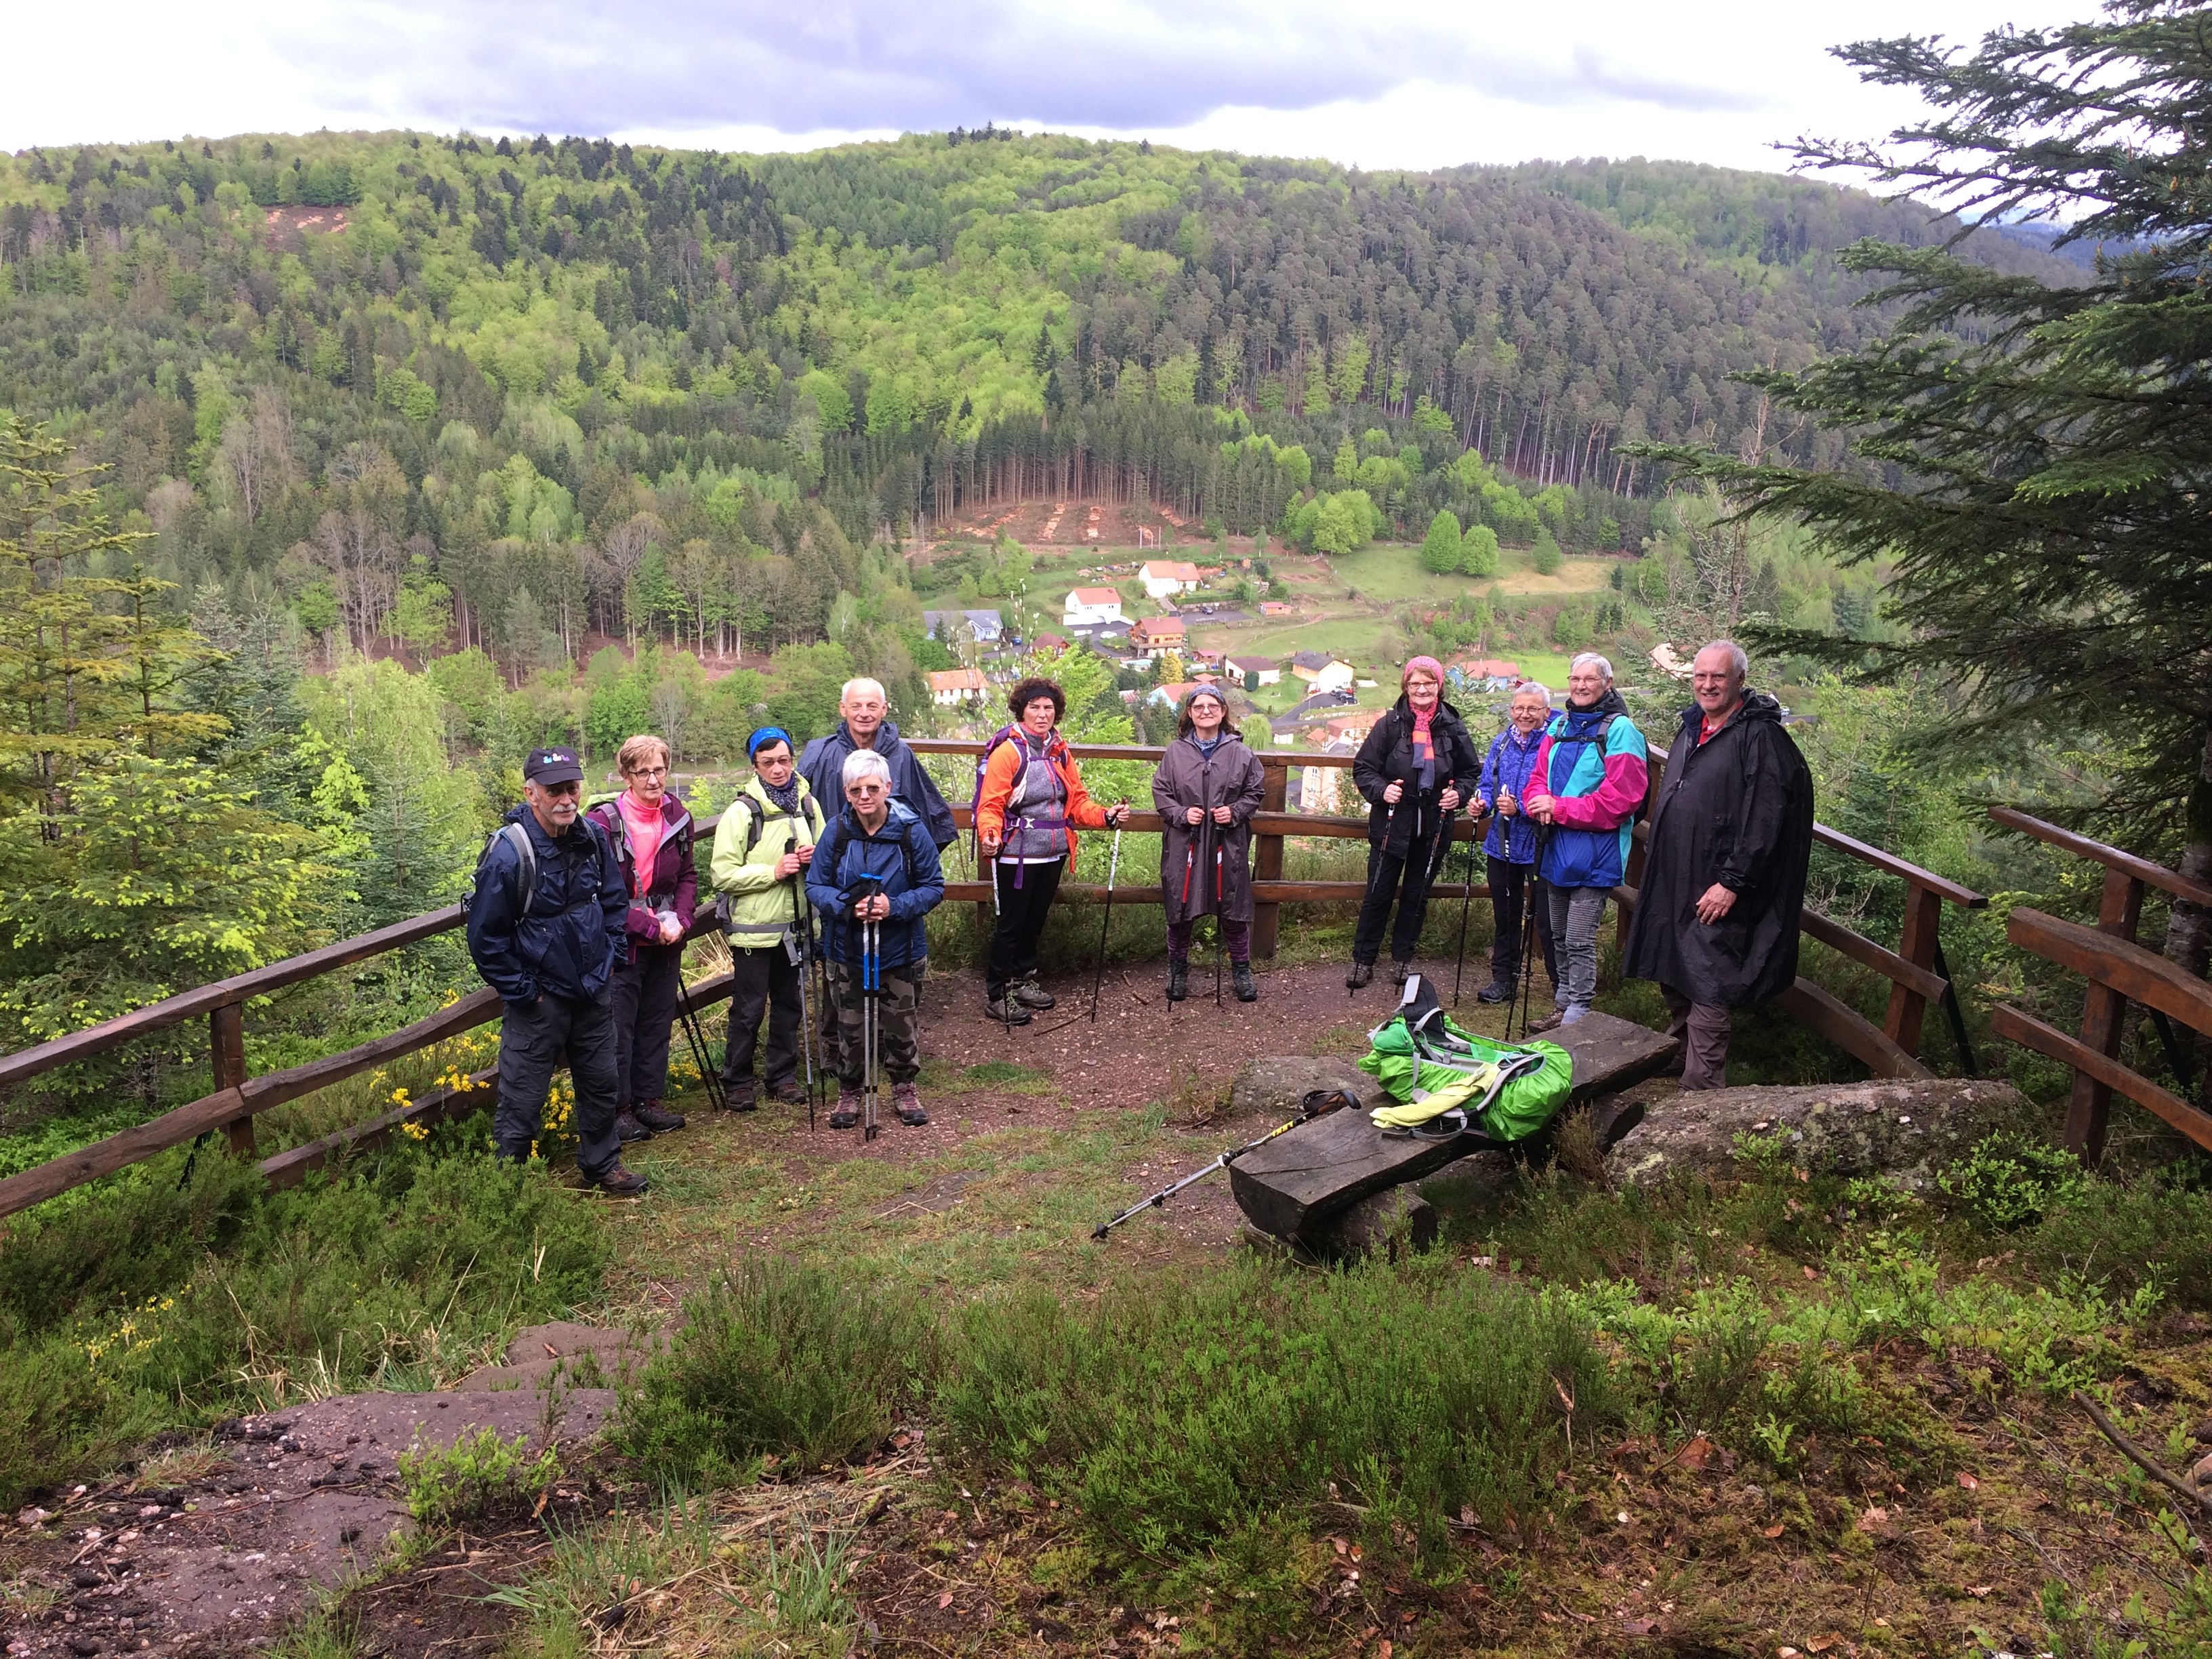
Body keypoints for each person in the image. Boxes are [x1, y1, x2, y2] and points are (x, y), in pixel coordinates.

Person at [1623, 640, 1815, 1089]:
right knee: (1673, 962)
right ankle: (1678, 1049)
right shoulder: (1694, 726)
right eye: (1700, 677)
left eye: (1718, 677)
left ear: (1739, 681)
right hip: (1677, 873)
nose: (1707, 685)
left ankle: (1703, 1087)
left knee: (1709, 976)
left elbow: (1767, 818)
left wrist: (1732, 882)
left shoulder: (1761, 738)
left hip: (1720, 884)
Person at [465, 746, 648, 1195]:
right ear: (531, 794)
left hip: (592, 988)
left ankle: (603, 1164)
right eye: (554, 791)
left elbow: (612, 901)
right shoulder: (510, 854)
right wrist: (526, 992)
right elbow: (485, 938)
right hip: (540, 998)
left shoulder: (590, 837)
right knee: (523, 1095)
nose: (566, 798)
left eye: (572, 787)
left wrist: (611, 958)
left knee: (602, 1081)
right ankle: (508, 1188)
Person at [974, 676, 1132, 1025]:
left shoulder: (1059, 751)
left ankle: (1022, 980)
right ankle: (998, 993)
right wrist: (989, 834)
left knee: (1035, 921)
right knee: (1011, 925)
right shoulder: (1009, 752)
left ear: (1056, 712)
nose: (1042, 713)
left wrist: (1106, 816)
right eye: (1035, 707)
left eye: (1048, 708)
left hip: (1053, 852)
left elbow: (1076, 802)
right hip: (1016, 854)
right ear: (1022, 710)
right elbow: (991, 805)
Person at [807, 749, 945, 1126]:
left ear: (888, 787)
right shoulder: (835, 832)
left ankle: (904, 1088)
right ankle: (849, 1091)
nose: (864, 797)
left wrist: (894, 906)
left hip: (900, 947)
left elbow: (934, 887)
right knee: (849, 1024)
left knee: (902, 1021)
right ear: (845, 792)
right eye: (855, 790)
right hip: (846, 947)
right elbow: (815, 885)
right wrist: (846, 907)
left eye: (872, 788)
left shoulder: (911, 831)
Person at [583, 735, 697, 1145]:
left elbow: (687, 876)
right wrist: (649, 927)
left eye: (660, 770)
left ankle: (649, 1100)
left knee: (655, 1022)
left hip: (667, 941)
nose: (653, 779)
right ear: (627, 775)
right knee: (618, 1028)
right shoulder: (602, 823)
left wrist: (682, 919)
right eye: (643, 772)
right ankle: (619, 1110)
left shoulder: (678, 817)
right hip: (622, 945)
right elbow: (595, 893)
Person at [1524, 653, 1650, 1027]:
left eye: (1590, 679)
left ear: (1607, 684)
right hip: (1556, 847)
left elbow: (1621, 801)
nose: (1581, 686)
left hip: (1598, 852)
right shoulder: (1559, 726)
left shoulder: (1621, 730)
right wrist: (1537, 803)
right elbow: (1537, 776)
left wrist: (1557, 807)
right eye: (1575, 678)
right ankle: (1564, 1003)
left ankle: (1579, 1011)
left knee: (1579, 936)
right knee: (1558, 933)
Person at [1347, 657, 1481, 988]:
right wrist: (1383, 790)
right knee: (1378, 893)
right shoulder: (1390, 725)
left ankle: (1402, 960)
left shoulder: (1452, 726)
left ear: (1439, 686)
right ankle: (1363, 961)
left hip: (1434, 826)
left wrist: (1459, 795)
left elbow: (1470, 772)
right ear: (1406, 687)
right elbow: (1364, 767)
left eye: (1429, 683)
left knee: (1416, 896)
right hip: (1392, 823)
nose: (1422, 690)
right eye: (1415, 684)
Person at [710, 726, 824, 1111]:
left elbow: (829, 855)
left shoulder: (808, 804)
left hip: (797, 928)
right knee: (748, 1009)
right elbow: (722, 875)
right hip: (753, 933)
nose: (778, 769)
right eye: (768, 762)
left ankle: (782, 1076)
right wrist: (773, 871)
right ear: (754, 766)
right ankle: (738, 1081)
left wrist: (814, 858)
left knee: (790, 1003)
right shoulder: (742, 812)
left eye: (784, 760)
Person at [1152, 684, 1267, 1003]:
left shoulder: (1241, 752)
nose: (1206, 711)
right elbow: (1161, 792)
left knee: (1232, 906)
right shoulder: (1175, 752)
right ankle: (1178, 968)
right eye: (1199, 706)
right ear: (1189, 713)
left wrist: (1234, 812)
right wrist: (1180, 813)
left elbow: (1255, 792)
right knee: (1181, 904)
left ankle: (1241, 970)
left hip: (1226, 842)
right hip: (1184, 843)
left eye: (1212, 705)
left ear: (1223, 711)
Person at [798, 677, 958, 853]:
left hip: (893, 860)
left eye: (872, 706)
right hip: (836, 859)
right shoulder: (821, 754)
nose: (864, 713)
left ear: (884, 710)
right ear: (843, 709)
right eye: (856, 706)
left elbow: (931, 816)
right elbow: (794, 809)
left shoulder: (902, 755)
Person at [1473, 682, 1559, 1004]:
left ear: (1546, 712)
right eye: (1519, 708)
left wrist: (1521, 808)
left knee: (1549, 921)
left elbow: (1558, 793)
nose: (1524, 714)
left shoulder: (1555, 744)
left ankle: (1560, 988)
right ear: (1511, 711)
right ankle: (1503, 980)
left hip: (1542, 844)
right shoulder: (1502, 743)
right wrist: (1482, 803)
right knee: (1505, 916)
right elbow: (1487, 783)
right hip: (1502, 842)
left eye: (1532, 709)